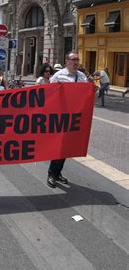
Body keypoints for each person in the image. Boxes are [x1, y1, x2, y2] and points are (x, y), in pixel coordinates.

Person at [47, 51, 88, 188]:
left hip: (74, 118)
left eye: (77, 59)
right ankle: (51, 174)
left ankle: (58, 173)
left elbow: (85, 97)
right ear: (67, 61)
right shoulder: (59, 76)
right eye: (73, 59)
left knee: (66, 148)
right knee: (59, 146)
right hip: (60, 118)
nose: (76, 62)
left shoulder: (82, 77)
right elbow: (49, 94)